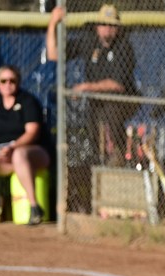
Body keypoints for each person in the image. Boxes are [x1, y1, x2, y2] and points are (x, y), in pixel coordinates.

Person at [46, 3, 137, 166]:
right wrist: (53, 22)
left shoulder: (124, 47)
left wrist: (84, 87)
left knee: (111, 111)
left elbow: (118, 84)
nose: (107, 29)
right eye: (103, 24)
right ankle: (99, 160)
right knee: (94, 121)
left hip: (122, 102)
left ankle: (118, 154)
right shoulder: (89, 42)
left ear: (117, 28)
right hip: (97, 103)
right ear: (96, 27)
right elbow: (53, 54)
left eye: (112, 25)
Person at [0, 65, 50, 225]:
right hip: (4, 158)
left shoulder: (27, 101)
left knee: (19, 155)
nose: (8, 84)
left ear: (18, 82)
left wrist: (12, 147)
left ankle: (35, 208)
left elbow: (32, 132)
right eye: (3, 81)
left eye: (12, 80)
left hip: (34, 154)